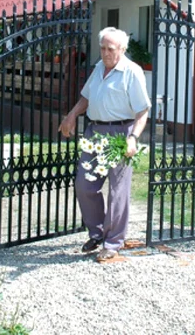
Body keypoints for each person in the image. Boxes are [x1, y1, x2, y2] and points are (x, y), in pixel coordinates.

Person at [58, 27, 151, 262]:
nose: (105, 53)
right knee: (84, 184)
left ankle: (113, 242)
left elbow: (142, 110)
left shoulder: (132, 71)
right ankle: (97, 232)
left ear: (122, 49)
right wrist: (71, 116)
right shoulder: (100, 67)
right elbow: (86, 97)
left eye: (110, 49)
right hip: (95, 132)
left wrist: (133, 138)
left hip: (121, 133)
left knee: (118, 191)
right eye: (102, 48)